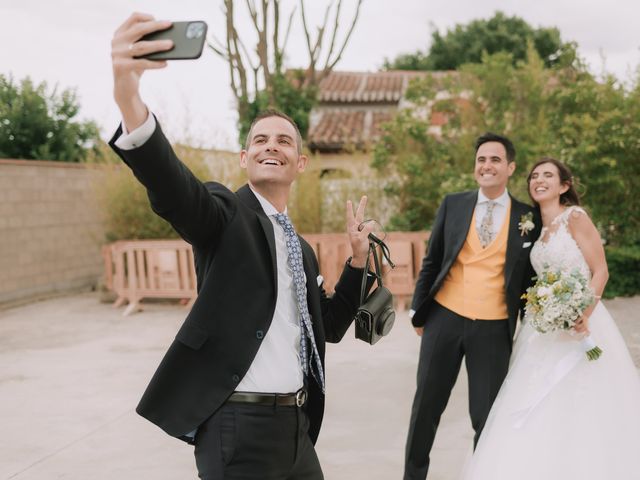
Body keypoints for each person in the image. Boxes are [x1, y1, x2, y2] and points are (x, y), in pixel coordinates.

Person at [109, 13, 376, 480]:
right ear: (244, 156)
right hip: (237, 430)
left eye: (284, 141)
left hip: (298, 430)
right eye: (260, 140)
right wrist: (129, 99)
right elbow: (175, 190)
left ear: (301, 162)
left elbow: (329, 328)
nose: (271, 146)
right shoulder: (224, 215)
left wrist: (357, 259)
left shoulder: (302, 248)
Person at [461, 158, 640, 479]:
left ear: (564, 186)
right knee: (533, 400)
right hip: (541, 327)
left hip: (583, 320)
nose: (538, 180)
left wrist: (583, 312)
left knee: (584, 398)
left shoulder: (576, 217)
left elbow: (600, 270)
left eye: (548, 175)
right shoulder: (534, 227)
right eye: (534, 176)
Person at [404, 133, 541, 479]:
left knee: (487, 416)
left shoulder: (528, 217)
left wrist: (534, 330)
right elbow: (433, 259)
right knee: (426, 410)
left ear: (510, 167)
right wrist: (418, 310)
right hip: (444, 319)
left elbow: (527, 280)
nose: (486, 166)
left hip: (494, 327)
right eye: (481, 160)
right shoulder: (454, 203)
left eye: (495, 160)